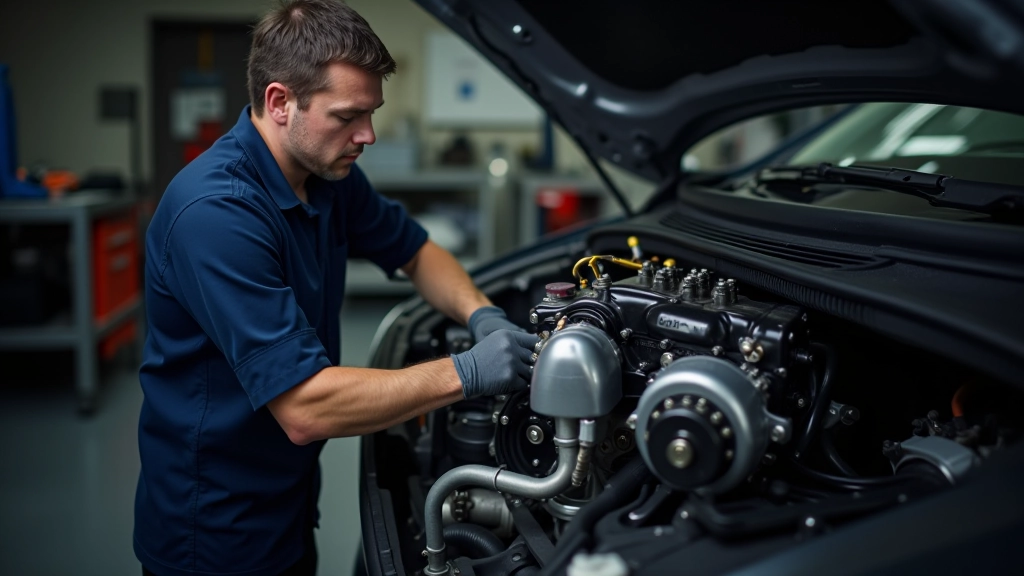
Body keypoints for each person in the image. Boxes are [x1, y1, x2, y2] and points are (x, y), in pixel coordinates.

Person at [133, 2, 538, 575]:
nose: (367, 135)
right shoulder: (215, 214)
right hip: (215, 529)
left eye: (371, 113)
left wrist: (482, 314)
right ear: (279, 103)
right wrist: (466, 372)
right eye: (348, 116)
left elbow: (415, 251)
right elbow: (304, 407)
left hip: (286, 500)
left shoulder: (323, 173)